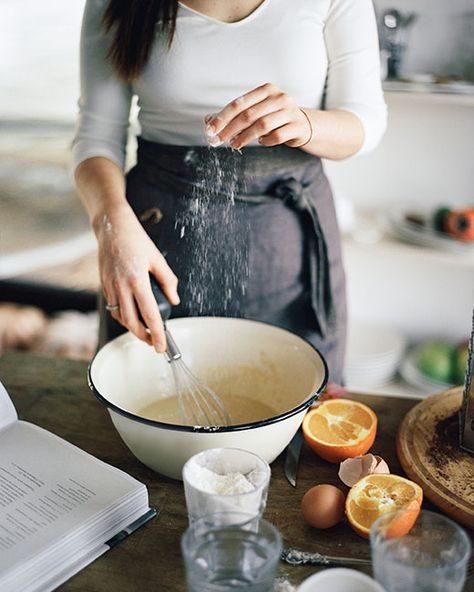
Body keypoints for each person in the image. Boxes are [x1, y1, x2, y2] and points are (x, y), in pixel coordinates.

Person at [73, 0, 387, 384]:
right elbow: (96, 138)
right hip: (155, 242)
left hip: (288, 244)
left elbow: (366, 121)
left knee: (299, 410)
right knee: (147, 400)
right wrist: (112, 227)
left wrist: (305, 123)